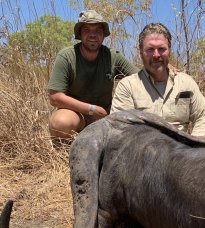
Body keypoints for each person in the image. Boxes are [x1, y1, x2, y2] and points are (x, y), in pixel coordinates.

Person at [111, 23, 205, 145]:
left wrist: (195, 144)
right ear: (141, 52)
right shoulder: (127, 86)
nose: (156, 55)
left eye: (161, 49)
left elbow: (203, 115)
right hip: (144, 152)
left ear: (169, 51)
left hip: (182, 152)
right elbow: (121, 128)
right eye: (150, 49)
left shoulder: (185, 82)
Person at [48, 10, 138, 141]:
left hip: (107, 116)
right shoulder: (67, 56)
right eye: (87, 30)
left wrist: (159, 68)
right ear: (79, 34)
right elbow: (55, 97)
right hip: (77, 115)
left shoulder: (113, 56)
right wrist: (91, 110)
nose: (93, 35)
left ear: (103, 35)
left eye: (98, 30)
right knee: (60, 123)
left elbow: (140, 77)